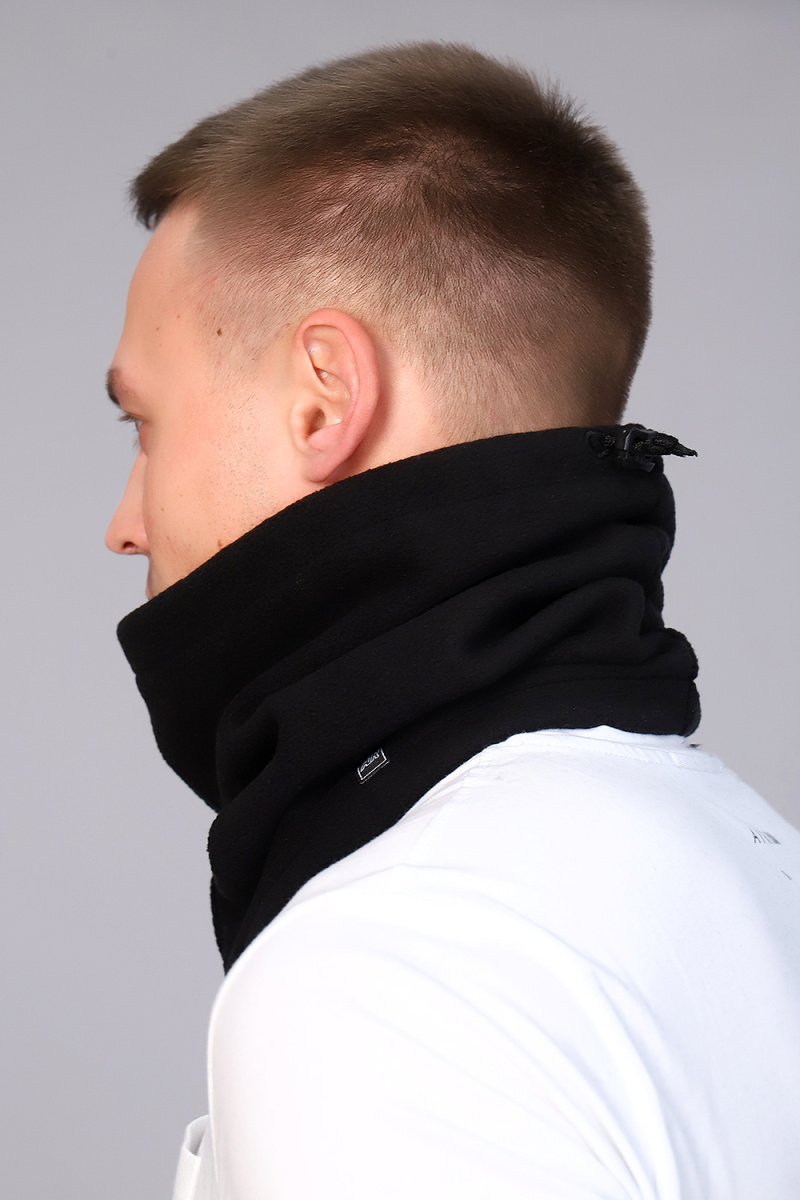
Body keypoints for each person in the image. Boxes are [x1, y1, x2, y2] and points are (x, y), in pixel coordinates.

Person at [105, 42, 800, 1200]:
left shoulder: (383, 967)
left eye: (142, 426)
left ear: (323, 399)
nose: (124, 525)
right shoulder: (753, 868)